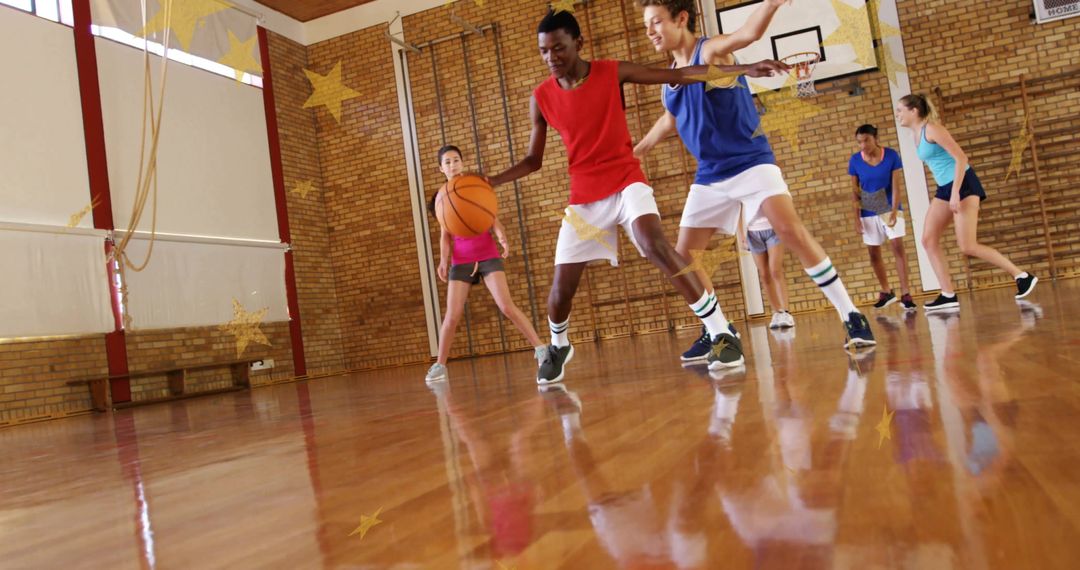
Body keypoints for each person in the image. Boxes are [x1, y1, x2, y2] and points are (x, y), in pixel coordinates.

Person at [487, 10, 789, 383]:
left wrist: (743, 70)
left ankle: (720, 330)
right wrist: (491, 181)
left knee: (655, 244)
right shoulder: (541, 97)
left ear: (578, 44)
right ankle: (559, 344)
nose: (552, 58)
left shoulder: (611, 71)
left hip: (626, 179)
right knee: (560, 292)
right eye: (544, 52)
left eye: (559, 49)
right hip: (584, 197)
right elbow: (533, 161)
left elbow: (680, 75)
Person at [633, 0, 875, 361]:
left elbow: (747, 34)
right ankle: (717, 329)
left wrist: (771, 3)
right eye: (646, 25)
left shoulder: (710, 49)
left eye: (656, 23)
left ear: (681, 18)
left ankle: (851, 314)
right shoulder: (669, 80)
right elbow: (670, 120)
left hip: (750, 163)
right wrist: (637, 150)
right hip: (710, 176)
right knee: (683, 259)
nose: (650, 31)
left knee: (788, 228)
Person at [895, 94, 1037, 311]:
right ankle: (948, 294)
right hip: (946, 187)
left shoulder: (932, 129)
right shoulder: (917, 134)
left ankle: (1022, 276)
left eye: (900, 110)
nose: (898, 115)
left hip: (963, 185)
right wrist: (949, 192)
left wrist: (955, 193)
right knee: (928, 239)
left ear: (914, 110)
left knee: (967, 245)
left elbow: (961, 158)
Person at [426, 145, 545, 382]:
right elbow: (445, 235)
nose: (452, 165)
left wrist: (501, 236)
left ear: (462, 162)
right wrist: (442, 261)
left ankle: (541, 349)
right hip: (461, 259)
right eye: (447, 162)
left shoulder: (475, 185)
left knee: (507, 306)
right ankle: (440, 365)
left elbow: (491, 217)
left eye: (456, 160)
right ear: (441, 168)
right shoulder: (442, 198)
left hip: (487, 254)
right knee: (452, 315)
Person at [848, 124, 916, 310]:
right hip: (868, 210)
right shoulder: (854, 161)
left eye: (866, 140)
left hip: (889, 207)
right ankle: (886, 291)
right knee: (873, 253)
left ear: (875, 139)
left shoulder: (892, 155)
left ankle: (906, 293)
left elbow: (896, 186)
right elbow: (855, 191)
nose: (863, 145)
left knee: (897, 247)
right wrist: (856, 218)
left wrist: (894, 211)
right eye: (860, 142)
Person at [741, 214, 794, 330]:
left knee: (775, 270)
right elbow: (739, 210)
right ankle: (777, 312)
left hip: (772, 228)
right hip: (752, 233)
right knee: (764, 275)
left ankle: (786, 313)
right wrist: (742, 234)